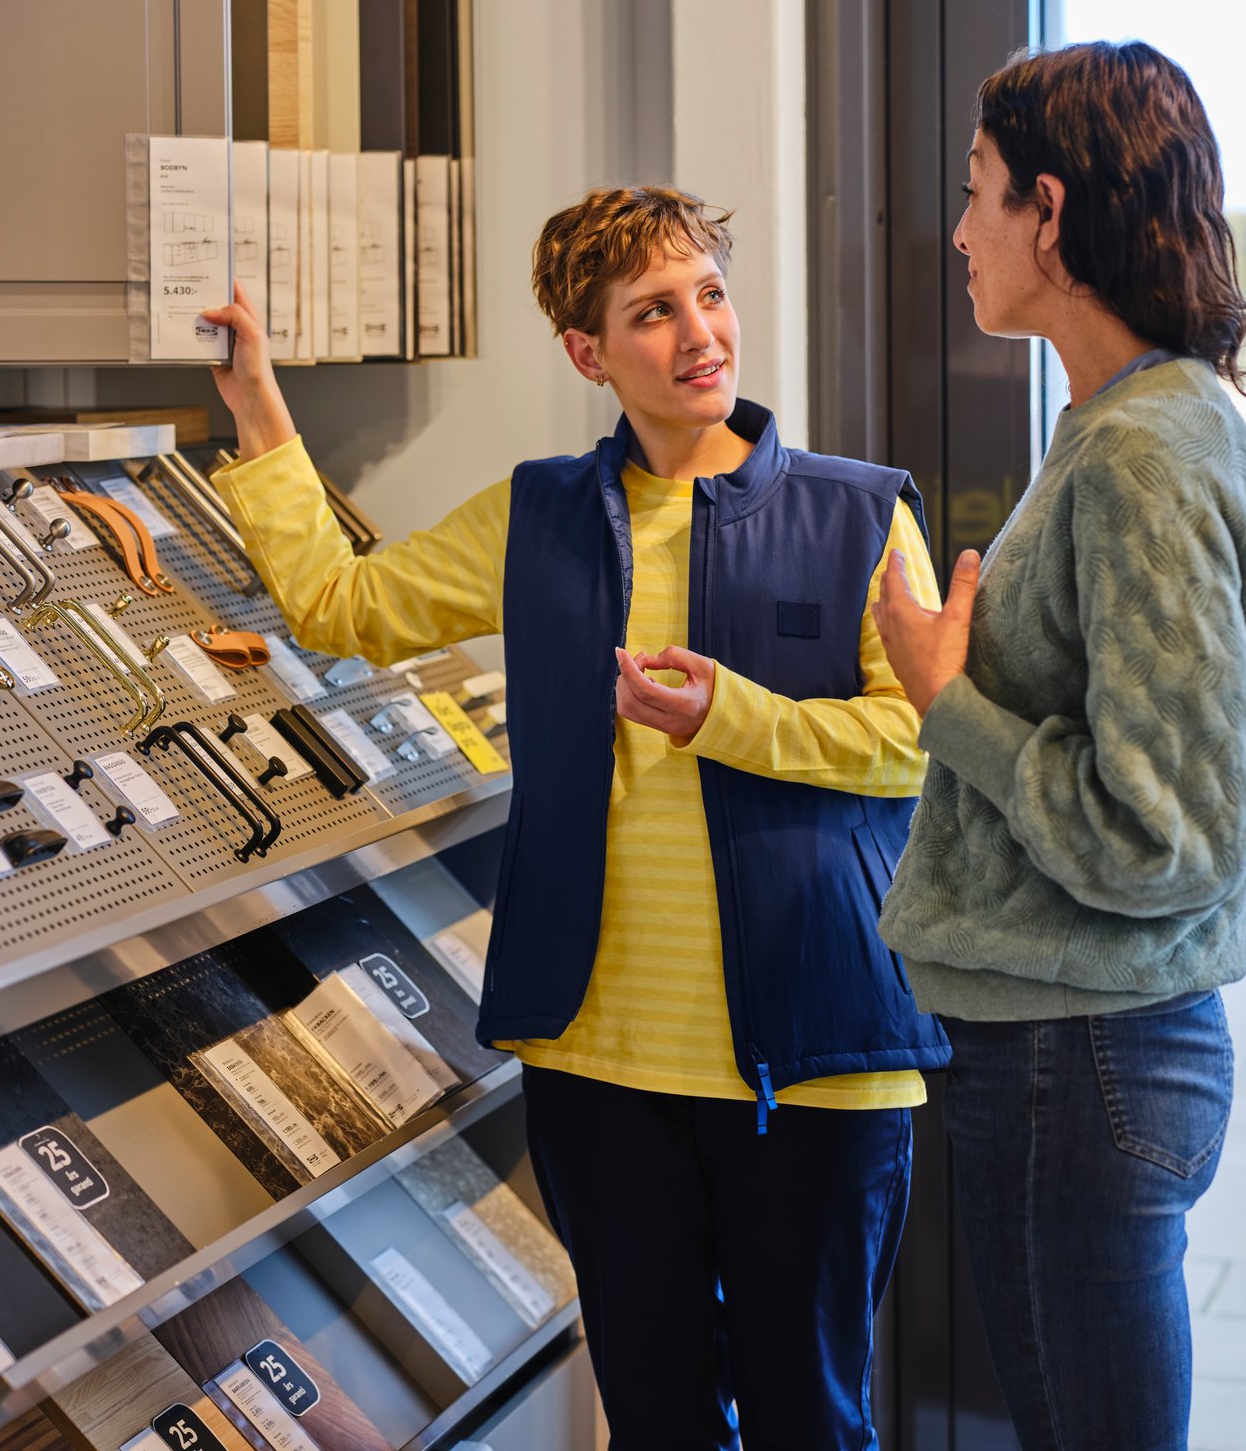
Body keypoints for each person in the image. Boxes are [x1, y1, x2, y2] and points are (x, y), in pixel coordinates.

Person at [202, 184, 948, 1450]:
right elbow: (338, 605)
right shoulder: (533, 515)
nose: (698, 332)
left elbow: (921, 746)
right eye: (653, 312)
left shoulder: (858, 513)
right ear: (588, 353)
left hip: (817, 1065)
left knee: (810, 1424)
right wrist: (259, 406)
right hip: (599, 1072)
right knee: (654, 1424)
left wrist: (734, 718)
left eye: (707, 294)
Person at [873, 42, 1246, 1451]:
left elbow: (1167, 833)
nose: (963, 229)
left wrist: (945, 696)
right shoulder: (1131, 421)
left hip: (1081, 1054)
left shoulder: (1139, 450)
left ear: (1052, 211)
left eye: (980, 193)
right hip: (1087, 1050)